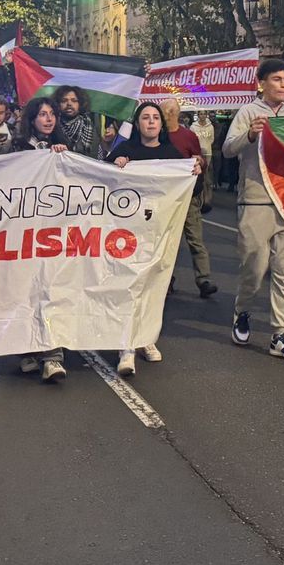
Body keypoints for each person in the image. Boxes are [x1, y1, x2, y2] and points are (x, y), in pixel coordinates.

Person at [225, 59, 284, 361]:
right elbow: (228, 149)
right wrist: (250, 134)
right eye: (277, 79)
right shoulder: (249, 112)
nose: (283, 84)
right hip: (256, 200)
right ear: (262, 83)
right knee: (255, 268)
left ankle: (280, 333)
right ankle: (242, 311)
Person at [109, 101, 201, 375]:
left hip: (159, 232)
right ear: (137, 124)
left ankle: (146, 338)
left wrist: (194, 172)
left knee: (153, 286)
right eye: (145, 118)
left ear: (162, 124)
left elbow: (188, 194)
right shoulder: (125, 150)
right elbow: (102, 182)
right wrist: (116, 165)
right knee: (129, 286)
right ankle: (126, 346)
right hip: (128, 233)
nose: (150, 122)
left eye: (155, 118)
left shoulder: (172, 154)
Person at [15, 97, 72, 382]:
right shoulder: (17, 148)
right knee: (26, 292)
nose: (48, 119)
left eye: (52, 114)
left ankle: (52, 355)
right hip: (23, 234)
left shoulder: (65, 149)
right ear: (32, 119)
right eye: (42, 114)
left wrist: (62, 157)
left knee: (51, 292)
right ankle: (27, 349)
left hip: (54, 233)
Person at [158, 98, 218, 301]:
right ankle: (166, 280)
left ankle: (204, 279)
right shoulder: (157, 136)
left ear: (176, 113)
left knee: (195, 239)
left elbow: (199, 159)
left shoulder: (189, 136)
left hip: (187, 197)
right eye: (164, 112)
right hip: (165, 199)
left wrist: (199, 163)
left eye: (168, 112)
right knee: (166, 242)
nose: (166, 115)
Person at [54, 85, 101, 158]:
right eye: (64, 100)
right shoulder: (52, 126)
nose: (69, 104)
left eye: (74, 100)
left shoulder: (91, 125)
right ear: (58, 104)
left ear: (80, 104)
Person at [190, 109, 216, 212]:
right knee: (199, 177)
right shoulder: (193, 127)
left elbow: (212, 139)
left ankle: (207, 200)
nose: (202, 115)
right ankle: (198, 200)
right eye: (200, 114)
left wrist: (206, 145)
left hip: (208, 153)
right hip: (198, 153)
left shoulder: (210, 127)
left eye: (204, 114)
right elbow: (192, 139)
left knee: (208, 178)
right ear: (198, 115)